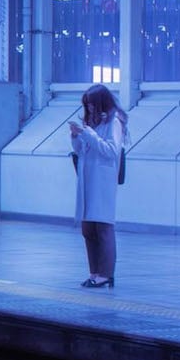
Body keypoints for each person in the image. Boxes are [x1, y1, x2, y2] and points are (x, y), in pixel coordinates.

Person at [68, 84, 128, 289]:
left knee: (103, 226)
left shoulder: (114, 122)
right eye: (87, 106)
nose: (90, 109)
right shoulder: (93, 122)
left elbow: (111, 151)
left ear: (102, 102)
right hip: (88, 178)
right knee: (88, 228)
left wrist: (89, 135)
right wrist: (76, 137)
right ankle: (94, 272)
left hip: (103, 181)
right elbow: (83, 150)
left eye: (92, 104)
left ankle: (106, 274)